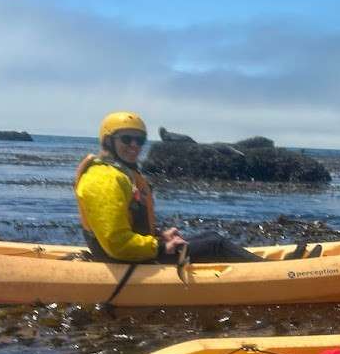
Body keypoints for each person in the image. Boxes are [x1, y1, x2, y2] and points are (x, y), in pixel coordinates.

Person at [74, 111, 265, 264]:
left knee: (211, 236)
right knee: (216, 245)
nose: (134, 145)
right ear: (109, 141)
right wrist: (159, 247)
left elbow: (129, 224)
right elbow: (117, 243)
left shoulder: (119, 174)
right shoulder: (104, 180)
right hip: (123, 259)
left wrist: (159, 236)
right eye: (126, 139)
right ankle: (273, 273)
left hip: (134, 254)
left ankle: (265, 267)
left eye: (140, 140)